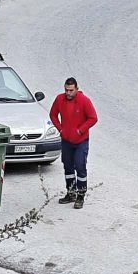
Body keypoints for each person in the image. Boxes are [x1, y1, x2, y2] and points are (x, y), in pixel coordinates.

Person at [48, 77, 98, 209]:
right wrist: (60, 129)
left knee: (80, 166)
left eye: (71, 90)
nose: (68, 93)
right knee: (68, 167)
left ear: (77, 89)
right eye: (66, 90)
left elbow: (93, 118)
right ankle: (71, 193)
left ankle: (81, 195)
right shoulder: (60, 99)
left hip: (81, 141)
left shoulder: (84, 101)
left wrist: (80, 130)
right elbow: (53, 114)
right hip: (66, 141)